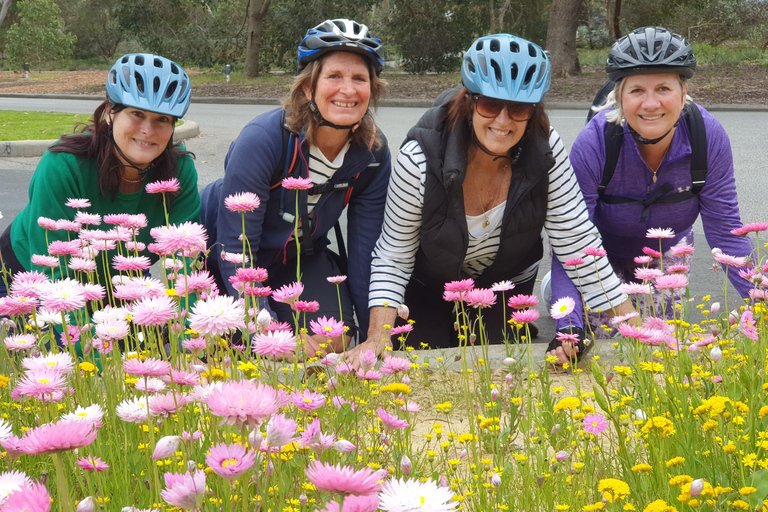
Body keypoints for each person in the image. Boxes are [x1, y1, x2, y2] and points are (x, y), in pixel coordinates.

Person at [347, 33, 632, 367]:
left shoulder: (546, 148)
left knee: (499, 366)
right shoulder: (420, 157)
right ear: (469, 101)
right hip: (430, 279)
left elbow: (577, 243)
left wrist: (635, 328)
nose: (502, 120)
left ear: (534, 109)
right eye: (490, 104)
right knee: (420, 358)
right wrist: (376, 337)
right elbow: (393, 256)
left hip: (503, 280)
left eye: (519, 108)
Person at [549, 27, 754, 362]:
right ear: (619, 96)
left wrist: (762, 300)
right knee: (610, 347)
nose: (650, 103)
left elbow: (726, 234)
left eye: (663, 88)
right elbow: (570, 245)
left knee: (658, 346)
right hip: (600, 257)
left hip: (666, 254)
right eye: (637, 90)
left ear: (684, 91)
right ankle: (555, 294)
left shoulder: (708, 137)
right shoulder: (595, 142)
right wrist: (568, 327)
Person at [200, 19, 391, 358]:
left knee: (334, 340)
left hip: (299, 257)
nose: (348, 90)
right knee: (249, 350)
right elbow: (236, 249)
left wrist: (370, 342)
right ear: (307, 88)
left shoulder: (372, 154)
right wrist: (271, 332)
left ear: (371, 91)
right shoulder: (263, 139)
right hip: (225, 259)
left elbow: (366, 253)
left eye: (359, 79)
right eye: (334, 76)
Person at [0, 53, 199, 291]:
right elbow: (56, 280)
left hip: (118, 275)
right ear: (110, 112)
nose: (148, 130)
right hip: (31, 275)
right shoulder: (63, 165)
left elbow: (186, 272)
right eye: (137, 114)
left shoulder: (181, 172)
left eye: (163, 119)